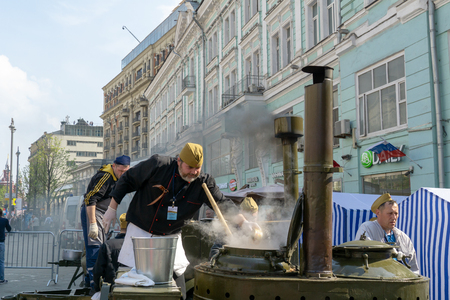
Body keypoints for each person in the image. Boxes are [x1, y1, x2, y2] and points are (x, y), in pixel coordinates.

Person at [102, 143, 260, 295]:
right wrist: (111, 208)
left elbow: (223, 203)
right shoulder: (158, 165)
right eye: (189, 167)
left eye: (197, 168)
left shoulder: (204, 183)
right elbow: (127, 179)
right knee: (131, 285)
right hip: (140, 232)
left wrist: (244, 222)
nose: (193, 172)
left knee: (178, 290)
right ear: (179, 161)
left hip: (171, 237)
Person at [81, 155, 130, 290]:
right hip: (92, 211)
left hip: (103, 213)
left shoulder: (120, 177)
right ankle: (94, 286)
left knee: (102, 248)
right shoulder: (106, 177)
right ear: (114, 166)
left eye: (125, 172)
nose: (122, 174)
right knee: (95, 248)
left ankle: (88, 281)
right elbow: (89, 199)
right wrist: (92, 224)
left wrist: (111, 213)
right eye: (120, 171)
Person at [354, 193, 420, 274]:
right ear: (378, 213)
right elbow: (365, 255)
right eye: (390, 213)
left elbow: (413, 268)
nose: (394, 217)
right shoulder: (367, 228)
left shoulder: (403, 238)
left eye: (396, 213)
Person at [92, 213, 127, 294]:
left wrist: (97, 289)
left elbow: (98, 271)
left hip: (111, 288)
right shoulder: (137, 244)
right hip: (132, 288)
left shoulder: (108, 245)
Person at [0, 209, 12, 284]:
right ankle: (1, 278)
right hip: (1, 242)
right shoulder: (4, 220)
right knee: (1, 261)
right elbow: (9, 229)